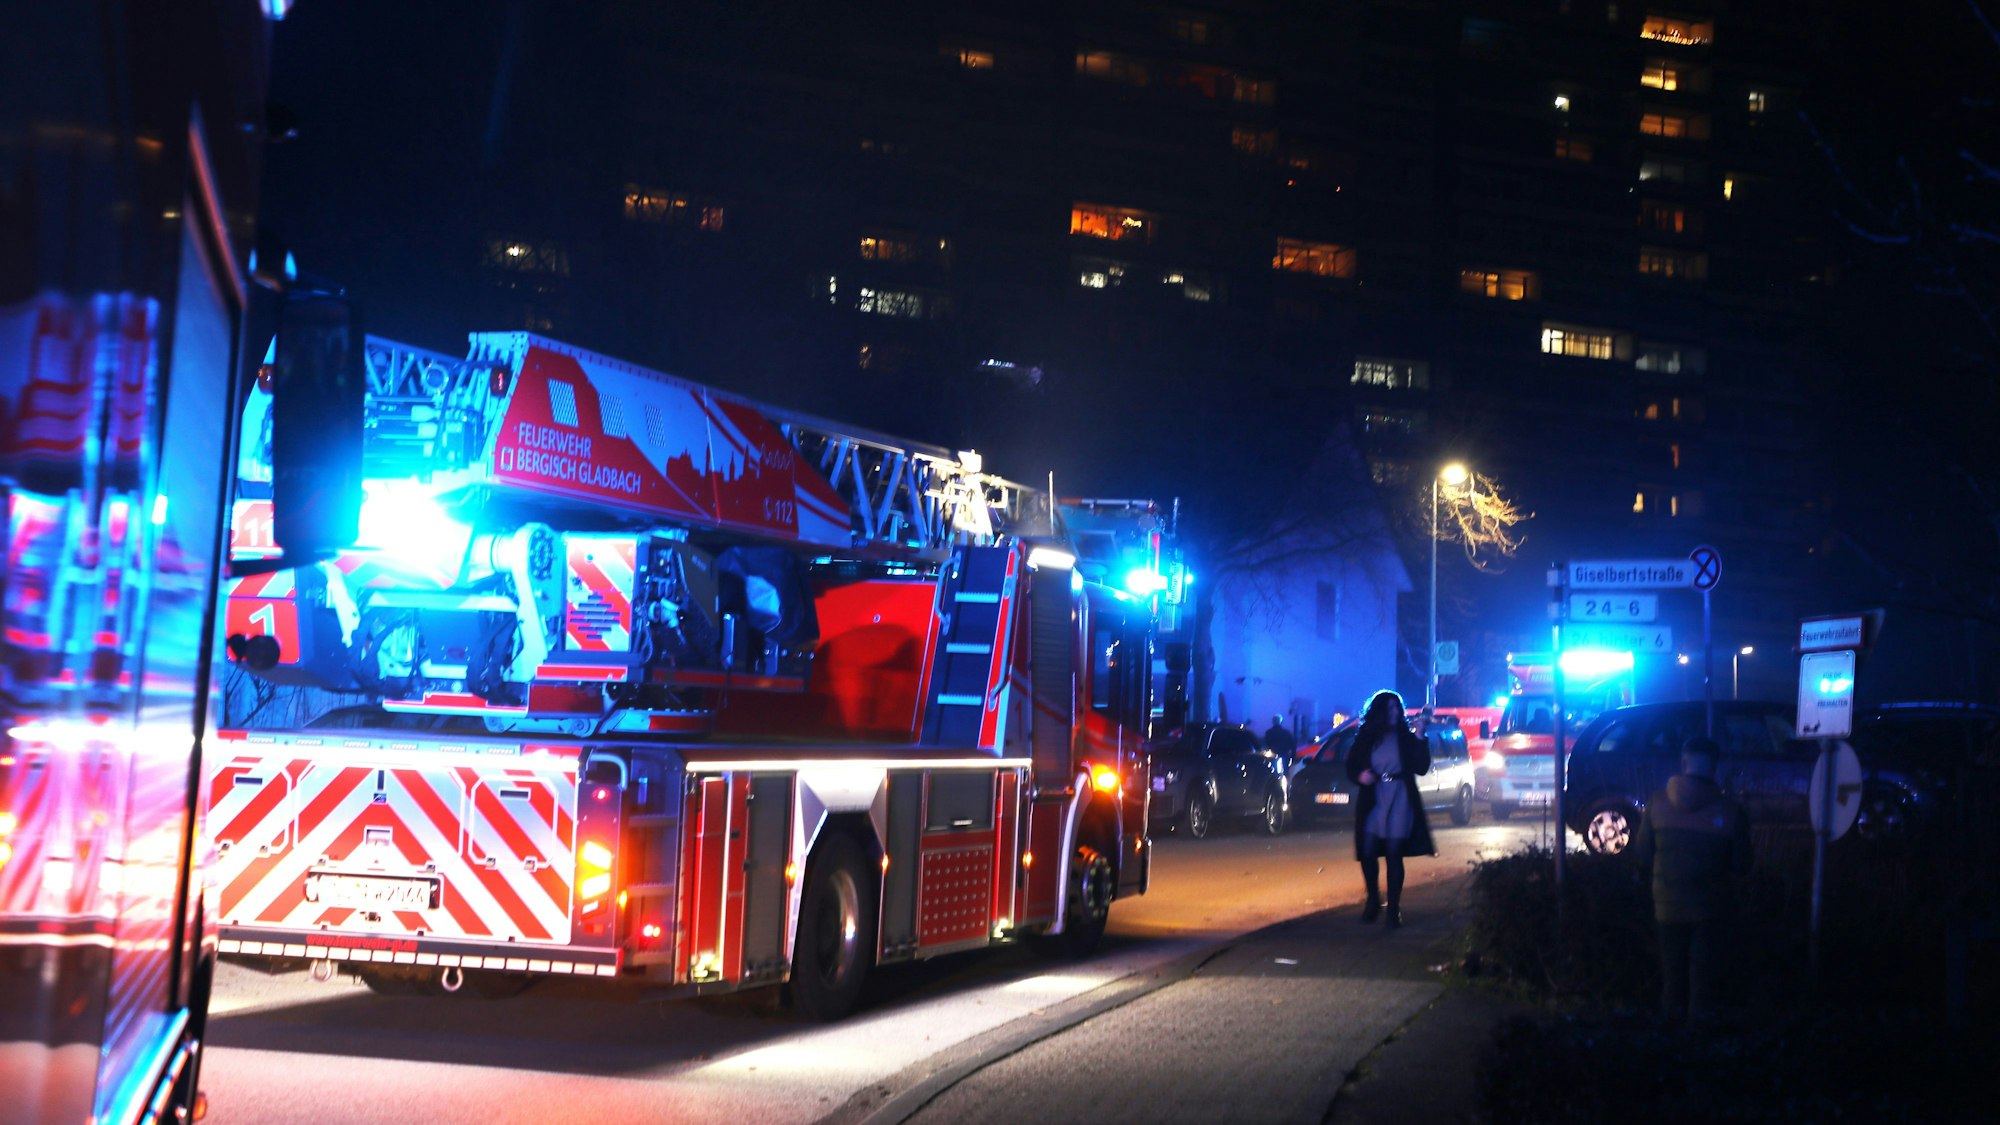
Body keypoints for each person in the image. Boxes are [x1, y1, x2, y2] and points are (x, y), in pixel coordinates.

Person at [1630, 735, 1753, 1021]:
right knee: (1703, 984)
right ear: (1715, 767)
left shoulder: (1657, 804)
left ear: (1683, 763)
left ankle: (1669, 1045)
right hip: (1710, 909)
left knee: (1672, 980)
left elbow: (1642, 854)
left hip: (1667, 906)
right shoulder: (1731, 812)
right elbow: (1742, 865)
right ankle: (1700, 1045)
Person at [1344, 690, 1436, 928]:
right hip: (1375, 795)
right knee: (1368, 849)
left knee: (1394, 852)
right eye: (1390, 708)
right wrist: (1359, 775)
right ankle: (1373, 898)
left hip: (1400, 795)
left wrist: (1419, 735)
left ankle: (1394, 909)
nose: (1395, 713)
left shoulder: (1405, 736)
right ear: (1380, 712)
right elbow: (1352, 764)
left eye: (1397, 708)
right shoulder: (1367, 735)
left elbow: (1421, 767)